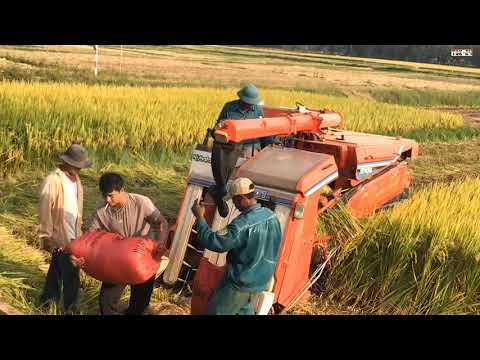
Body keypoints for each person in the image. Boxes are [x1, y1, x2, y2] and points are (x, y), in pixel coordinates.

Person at [71, 172, 169, 315]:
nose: (107, 199)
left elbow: (162, 222)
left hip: (144, 259)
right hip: (118, 260)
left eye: (111, 195)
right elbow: (89, 236)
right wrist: (78, 255)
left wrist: (160, 243)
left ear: (122, 189)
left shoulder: (141, 202)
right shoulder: (101, 211)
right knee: (106, 302)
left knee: (139, 307)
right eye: (104, 195)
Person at [191, 177, 282, 315]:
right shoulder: (271, 217)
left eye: (234, 200)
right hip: (258, 285)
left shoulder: (241, 224)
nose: (233, 203)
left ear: (240, 199)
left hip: (238, 286)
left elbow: (214, 241)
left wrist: (200, 218)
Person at [38, 144, 92, 315]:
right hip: (59, 234)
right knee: (71, 272)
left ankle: (47, 301)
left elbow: (76, 208)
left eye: (80, 166)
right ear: (66, 162)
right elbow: (44, 209)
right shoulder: (53, 180)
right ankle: (71, 308)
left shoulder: (77, 179)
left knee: (57, 268)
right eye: (76, 165)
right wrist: (46, 236)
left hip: (74, 233)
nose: (79, 169)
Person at [216, 84, 275, 158]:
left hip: (250, 146)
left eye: (252, 103)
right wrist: (219, 127)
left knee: (246, 154)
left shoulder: (258, 110)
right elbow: (219, 126)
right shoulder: (229, 107)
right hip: (231, 146)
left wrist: (270, 144)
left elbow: (263, 131)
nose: (250, 105)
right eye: (247, 102)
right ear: (242, 99)